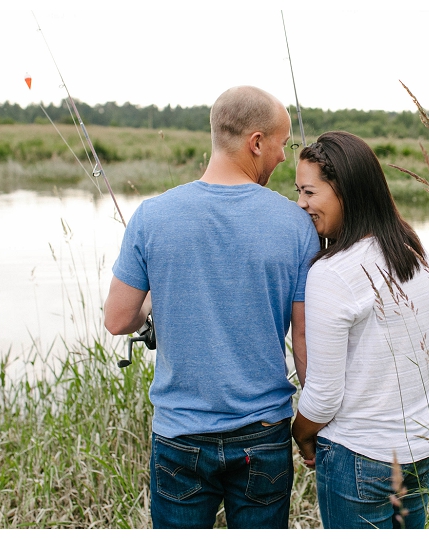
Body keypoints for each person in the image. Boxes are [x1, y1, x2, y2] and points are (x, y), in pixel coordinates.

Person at [103, 86, 320, 529]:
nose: (283, 158)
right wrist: (311, 426)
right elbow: (303, 340)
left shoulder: (151, 216)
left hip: (180, 435)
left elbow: (118, 319)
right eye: (280, 145)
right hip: (264, 435)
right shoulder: (297, 224)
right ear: (256, 142)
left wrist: (154, 296)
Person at [291, 131, 429, 529]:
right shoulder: (412, 253)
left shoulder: (331, 273)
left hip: (359, 458)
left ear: (347, 192)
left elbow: (323, 397)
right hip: (418, 450)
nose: (301, 204)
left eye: (309, 192)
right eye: (299, 192)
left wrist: (301, 432)